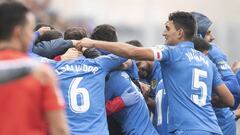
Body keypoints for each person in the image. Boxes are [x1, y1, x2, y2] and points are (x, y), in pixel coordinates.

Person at [77, 11, 234, 135]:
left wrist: (93, 43)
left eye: (167, 28)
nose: (164, 33)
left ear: (179, 33)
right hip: (213, 129)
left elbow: (132, 51)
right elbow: (229, 100)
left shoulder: (171, 53)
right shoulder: (207, 62)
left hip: (187, 131)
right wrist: (202, 102)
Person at [0, 2, 69, 135]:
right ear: (18, 32)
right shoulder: (41, 73)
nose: (33, 37)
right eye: (30, 31)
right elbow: (60, 129)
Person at [192, 12, 240, 135]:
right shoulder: (184, 56)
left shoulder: (211, 51)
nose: (212, 37)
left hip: (220, 124)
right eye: (208, 33)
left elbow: (233, 88)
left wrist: (206, 92)